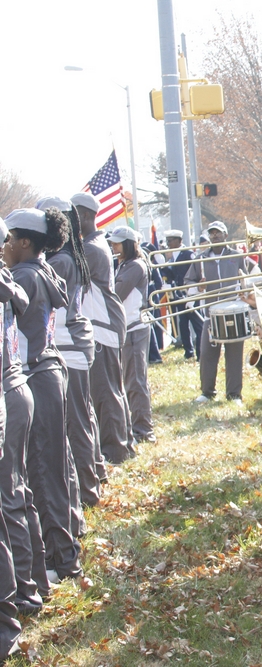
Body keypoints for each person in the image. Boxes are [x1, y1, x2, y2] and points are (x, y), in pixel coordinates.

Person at [4, 208, 83, 584]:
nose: (5, 246)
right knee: (55, 467)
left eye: (9, 238)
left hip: (35, 373)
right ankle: (65, 551)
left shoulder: (22, 274)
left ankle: (60, 560)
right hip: (49, 371)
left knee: (41, 471)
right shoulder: (43, 269)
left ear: (24, 242)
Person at [36, 197, 100, 512]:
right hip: (74, 343)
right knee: (82, 418)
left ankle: (87, 491)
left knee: (76, 424)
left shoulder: (59, 261)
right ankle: (92, 480)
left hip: (69, 346)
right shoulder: (66, 256)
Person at [0, 214, 45, 617]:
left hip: (8, 394)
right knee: (18, 495)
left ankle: (24, 595)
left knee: (9, 501)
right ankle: (32, 585)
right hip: (17, 390)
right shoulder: (10, 280)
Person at [71, 192, 132, 465]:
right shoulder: (93, 243)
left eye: (71, 217)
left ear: (85, 216)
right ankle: (123, 445)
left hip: (102, 325)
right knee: (112, 390)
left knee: (105, 393)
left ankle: (114, 451)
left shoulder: (91, 248)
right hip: (103, 324)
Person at [187, 221, 251, 404]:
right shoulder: (200, 258)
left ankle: (234, 394)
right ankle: (207, 392)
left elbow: (246, 278)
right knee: (207, 353)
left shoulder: (237, 256)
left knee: (234, 355)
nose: (215, 236)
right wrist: (198, 288)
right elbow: (189, 282)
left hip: (234, 312)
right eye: (212, 233)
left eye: (218, 233)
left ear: (226, 235)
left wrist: (245, 291)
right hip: (210, 314)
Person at [110, 226, 154, 445]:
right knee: (130, 380)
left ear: (128, 244)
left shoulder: (135, 265)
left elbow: (116, 293)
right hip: (127, 328)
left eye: (117, 243)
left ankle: (144, 431)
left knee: (136, 381)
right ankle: (137, 427)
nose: (113, 246)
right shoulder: (125, 264)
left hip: (134, 329)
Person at [159, 229, 201, 360]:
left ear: (179, 241)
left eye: (170, 241)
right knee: (183, 324)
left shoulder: (188, 254)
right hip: (179, 295)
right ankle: (188, 351)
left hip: (190, 293)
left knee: (197, 323)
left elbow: (195, 272)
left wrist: (193, 293)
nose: (168, 243)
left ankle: (200, 352)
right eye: (167, 241)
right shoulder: (172, 256)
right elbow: (171, 274)